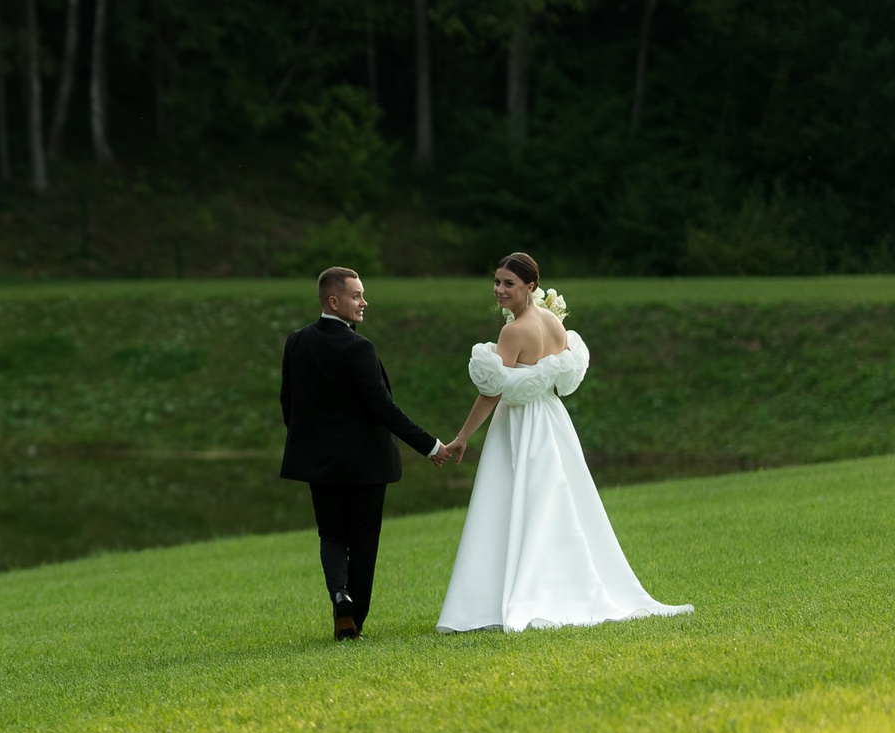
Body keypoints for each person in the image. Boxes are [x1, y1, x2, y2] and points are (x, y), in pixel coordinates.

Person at [433, 253, 693, 632]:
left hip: (520, 424)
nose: (499, 289)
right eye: (497, 281)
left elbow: (492, 392)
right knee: (555, 502)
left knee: (517, 502)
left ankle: (517, 594)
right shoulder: (554, 322)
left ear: (531, 287)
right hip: (553, 420)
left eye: (509, 283)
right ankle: (559, 584)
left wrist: (461, 438)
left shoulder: (513, 332)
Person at [279, 266, 453, 641]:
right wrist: (430, 445)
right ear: (333, 301)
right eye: (356, 296)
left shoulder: (297, 341)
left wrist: (309, 443)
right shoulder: (358, 348)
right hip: (366, 465)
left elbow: (287, 402)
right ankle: (354, 619)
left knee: (331, 535)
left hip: (319, 463)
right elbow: (383, 408)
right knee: (362, 541)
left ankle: (339, 595)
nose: (364, 302)